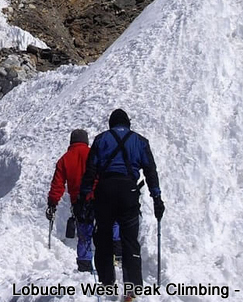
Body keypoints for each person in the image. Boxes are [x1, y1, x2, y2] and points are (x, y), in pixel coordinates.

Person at [78, 108, 164, 292]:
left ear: (111, 123)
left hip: (105, 191)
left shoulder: (101, 139)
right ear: (128, 123)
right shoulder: (140, 141)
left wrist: (84, 198)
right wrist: (156, 198)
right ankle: (133, 285)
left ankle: (107, 283)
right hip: (129, 191)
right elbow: (150, 171)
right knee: (129, 239)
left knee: (103, 238)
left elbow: (90, 171)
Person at [46, 129, 94, 272]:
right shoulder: (93, 154)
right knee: (103, 230)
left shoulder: (64, 159)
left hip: (79, 203)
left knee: (84, 235)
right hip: (98, 199)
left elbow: (57, 184)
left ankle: (84, 266)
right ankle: (110, 263)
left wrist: (52, 203)